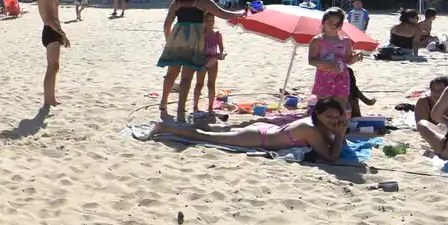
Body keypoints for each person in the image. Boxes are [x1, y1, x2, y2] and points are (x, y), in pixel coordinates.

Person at [156, 0, 246, 123]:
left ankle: (163, 103)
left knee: (171, 73)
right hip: (194, 39)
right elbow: (223, 14)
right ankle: (180, 111)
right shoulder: (202, 2)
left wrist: (169, 41)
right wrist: (242, 13)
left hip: (177, 37)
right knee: (187, 77)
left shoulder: (177, 2)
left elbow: (166, 25)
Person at [149, 97, 350, 162]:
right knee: (207, 137)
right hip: (257, 137)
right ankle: (165, 127)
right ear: (318, 115)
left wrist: (338, 131)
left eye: (336, 116)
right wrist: (340, 135)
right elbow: (331, 157)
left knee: (221, 129)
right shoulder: (312, 128)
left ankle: (197, 122)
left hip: (266, 129)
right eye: (329, 116)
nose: (334, 120)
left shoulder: (318, 124)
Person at [308, 8, 358, 114]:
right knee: (324, 107)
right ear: (323, 22)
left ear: (340, 25)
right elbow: (311, 60)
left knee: (340, 106)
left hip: (342, 77)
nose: (332, 26)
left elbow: (348, 60)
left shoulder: (346, 41)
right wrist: (329, 64)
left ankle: (338, 128)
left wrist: (355, 58)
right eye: (329, 22)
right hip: (324, 77)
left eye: (336, 23)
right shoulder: (317, 40)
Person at [37, 0, 69, 106]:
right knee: (52, 66)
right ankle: (47, 100)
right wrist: (62, 34)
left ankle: (51, 98)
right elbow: (49, 19)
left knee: (55, 66)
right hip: (50, 30)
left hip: (54, 30)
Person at [192, 14, 225, 115]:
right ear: (204, 22)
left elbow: (222, 48)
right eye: (208, 21)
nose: (210, 23)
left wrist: (221, 54)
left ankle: (210, 107)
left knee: (211, 84)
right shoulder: (200, 34)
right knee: (199, 84)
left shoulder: (217, 34)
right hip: (202, 61)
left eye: (212, 21)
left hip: (213, 62)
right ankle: (195, 106)